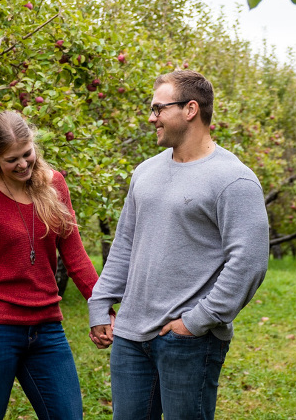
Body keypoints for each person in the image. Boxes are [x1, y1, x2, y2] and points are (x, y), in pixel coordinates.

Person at [88, 70, 270, 419]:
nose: (151, 117)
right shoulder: (145, 172)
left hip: (189, 341)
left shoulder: (234, 179)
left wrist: (198, 321)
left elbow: (249, 262)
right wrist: (100, 303)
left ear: (190, 109)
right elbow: (125, 244)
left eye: (159, 108)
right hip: (129, 337)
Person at [0, 110, 99, 420]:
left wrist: (102, 306)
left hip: (46, 327)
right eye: (11, 159)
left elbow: (75, 255)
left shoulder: (54, 184)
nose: (22, 164)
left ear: (33, 144)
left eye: (27, 154)